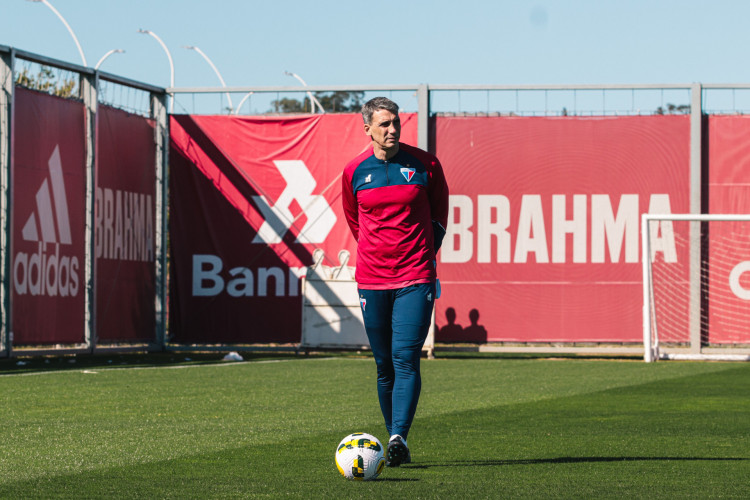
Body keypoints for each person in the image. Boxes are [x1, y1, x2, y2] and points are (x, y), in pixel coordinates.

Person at [341, 97, 449, 467]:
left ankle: (399, 434)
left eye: (396, 123)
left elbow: (439, 219)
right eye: (384, 124)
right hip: (372, 280)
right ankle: (393, 438)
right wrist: (379, 255)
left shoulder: (426, 165)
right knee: (383, 364)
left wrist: (419, 256)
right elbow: (355, 222)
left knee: (406, 358)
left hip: (415, 277)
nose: (392, 130)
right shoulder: (354, 171)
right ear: (367, 128)